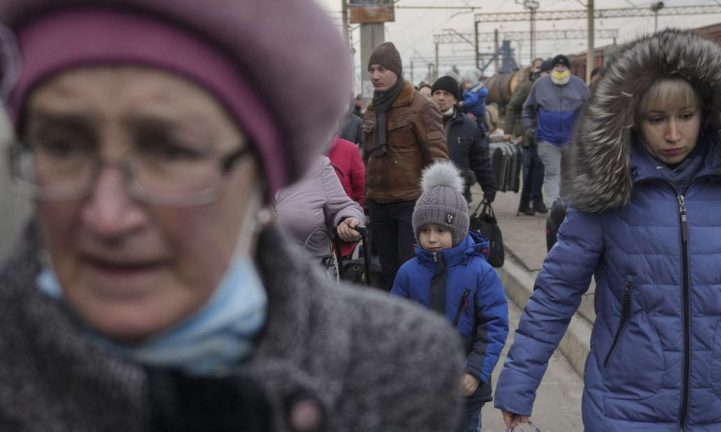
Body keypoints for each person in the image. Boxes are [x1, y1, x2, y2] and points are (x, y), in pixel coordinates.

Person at [0, 1, 466, 430]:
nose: (106, 216)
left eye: (172, 151)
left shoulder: (398, 369)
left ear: (264, 178)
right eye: (61, 147)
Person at [495, 29, 721, 432]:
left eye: (686, 117)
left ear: (708, 114)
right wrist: (519, 383)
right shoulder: (606, 193)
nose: (673, 134)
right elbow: (555, 293)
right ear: (633, 119)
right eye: (657, 119)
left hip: (718, 407)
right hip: (624, 408)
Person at [391, 160, 508, 432]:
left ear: (458, 230)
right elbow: (395, 325)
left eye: (441, 230)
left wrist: (476, 371)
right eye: (425, 230)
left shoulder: (481, 272)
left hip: (465, 387)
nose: (432, 238)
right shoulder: (408, 273)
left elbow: (493, 325)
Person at [363, 41, 448, 291]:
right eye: (372, 69)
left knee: (412, 269)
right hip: (379, 204)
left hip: (410, 203)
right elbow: (367, 158)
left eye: (382, 69)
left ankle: (418, 322)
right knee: (387, 272)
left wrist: (438, 201)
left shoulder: (421, 107)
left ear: (396, 71)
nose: (376, 76)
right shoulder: (372, 109)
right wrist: (365, 201)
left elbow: (438, 157)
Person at [521, 54, 589, 209]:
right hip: (547, 140)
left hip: (572, 140)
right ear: (551, 69)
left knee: (568, 175)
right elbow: (527, 109)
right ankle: (554, 208)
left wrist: (584, 133)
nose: (559, 69)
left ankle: (566, 207)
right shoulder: (540, 85)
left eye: (563, 67)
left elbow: (590, 110)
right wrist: (532, 130)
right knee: (552, 173)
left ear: (568, 69)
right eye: (556, 67)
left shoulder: (579, 85)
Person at [275, 155, 363, 260]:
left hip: (311, 270)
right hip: (255, 271)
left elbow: (344, 207)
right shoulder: (253, 166)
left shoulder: (317, 165)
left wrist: (347, 220)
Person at [431, 75, 497, 204]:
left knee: (451, 222)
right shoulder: (421, 122)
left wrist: (489, 186)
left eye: (446, 94)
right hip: (425, 193)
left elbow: (480, 159)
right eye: (437, 93)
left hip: (457, 195)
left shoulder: (468, 126)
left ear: (456, 99)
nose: (441, 98)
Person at [505, 59, 546, 216]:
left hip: (542, 136)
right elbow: (512, 107)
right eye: (538, 68)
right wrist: (512, 131)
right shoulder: (527, 87)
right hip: (528, 137)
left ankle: (537, 201)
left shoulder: (549, 88)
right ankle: (524, 203)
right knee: (529, 171)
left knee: (539, 171)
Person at [460, 69, 490, 136]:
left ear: (473, 82)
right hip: (480, 109)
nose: (465, 84)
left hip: (474, 110)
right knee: (482, 121)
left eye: (468, 82)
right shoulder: (479, 89)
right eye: (465, 82)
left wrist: (463, 103)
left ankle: (484, 132)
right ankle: (486, 131)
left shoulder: (472, 92)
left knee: (478, 122)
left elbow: (472, 100)